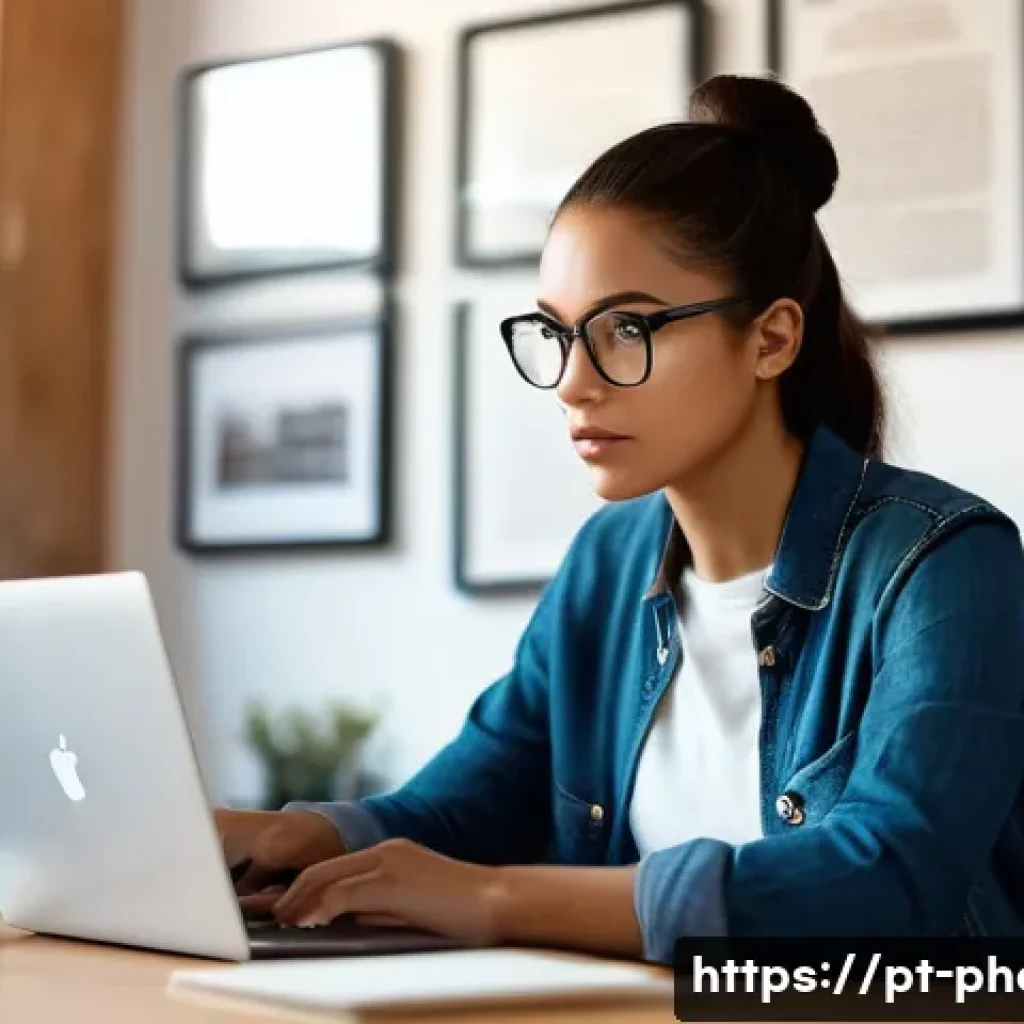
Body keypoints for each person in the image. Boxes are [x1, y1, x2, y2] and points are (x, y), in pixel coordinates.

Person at [217, 73, 1024, 963]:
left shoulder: (947, 565)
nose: (572, 380)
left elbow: (887, 881)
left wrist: (494, 899)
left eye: (626, 330)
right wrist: (307, 837)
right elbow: (470, 802)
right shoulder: (610, 562)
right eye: (557, 333)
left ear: (771, 339)